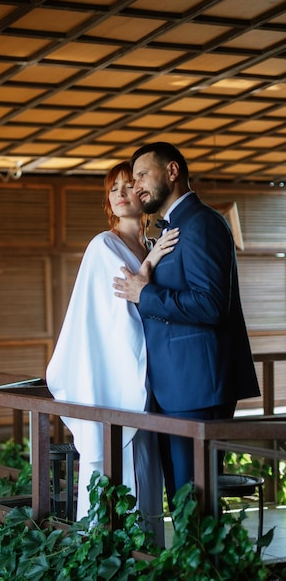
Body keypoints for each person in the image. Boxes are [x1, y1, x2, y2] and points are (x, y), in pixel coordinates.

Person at [113, 142, 260, 509]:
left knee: (193, 504)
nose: (137, 186)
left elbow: (211, 305)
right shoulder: (174, 228)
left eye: (143, 175)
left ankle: (205, 569)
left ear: (173, 171)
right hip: (174, 387)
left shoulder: (202, 223)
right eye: (134, 179)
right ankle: (190, 568)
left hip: (198, 388)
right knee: (182, 503)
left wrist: (145, 295)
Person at [46, 161, 178, 545]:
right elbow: (128, 302)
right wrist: (152, 263)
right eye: (112, 188)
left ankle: (147, 559)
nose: (120, 193)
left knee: (147, 475)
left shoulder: (152, 243)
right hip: (119, 376)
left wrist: (152, 256)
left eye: (127, 185)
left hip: (149, 377)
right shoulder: (103, 245)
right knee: (121, 474)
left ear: (143, 194)